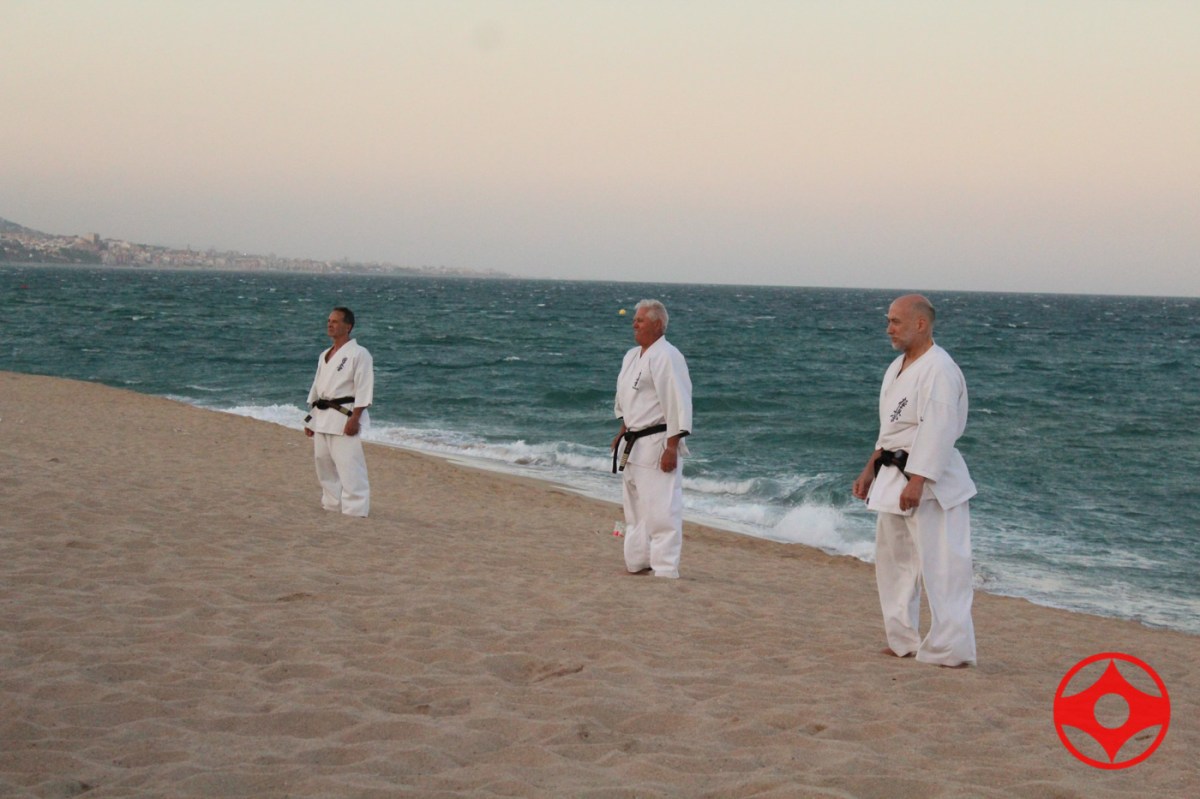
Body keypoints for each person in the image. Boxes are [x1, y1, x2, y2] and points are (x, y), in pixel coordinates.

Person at [852, 294, 977, 667]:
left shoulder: (940, 369)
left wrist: (918, 480)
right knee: (895, 565)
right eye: (888, 320)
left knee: (944, 569)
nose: (888, 328)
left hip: (931, 484)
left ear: (920, 324)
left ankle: (950, 650)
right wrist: (870, 468)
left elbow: (939, 428)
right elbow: (891, 429)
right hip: (893, 476)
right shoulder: (898, 367)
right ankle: (902, 639)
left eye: (896, 321)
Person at [612, 299, 693, 579]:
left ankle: (665, 568)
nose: (634, 324)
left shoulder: (668, 356)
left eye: (640, 320)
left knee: (662, 510)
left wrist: (672, 447)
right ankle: (638, 561)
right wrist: (622, 432)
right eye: (634, 319)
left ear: (658, 325)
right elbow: (628, 401)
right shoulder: (631, 356)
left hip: (657, 442)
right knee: (635, 509)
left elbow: (678, 403)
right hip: (633, 444)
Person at [304, 306, 374, 517]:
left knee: (350, 466)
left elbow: (364, 388)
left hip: (344, 416)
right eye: (329, 321)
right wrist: (310, 419)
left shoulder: (359, 354)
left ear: (348, 326)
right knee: (323, 465)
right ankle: (331, 505)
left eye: (335, 321)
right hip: (322, 416)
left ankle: (356, 509)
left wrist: (356, 418)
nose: (330, 324)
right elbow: (317, 388)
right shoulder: (324, 355)